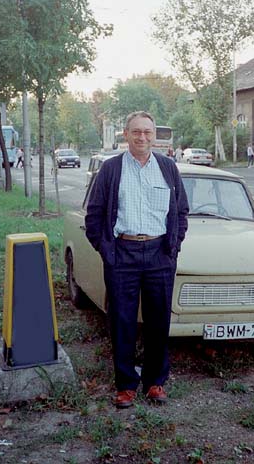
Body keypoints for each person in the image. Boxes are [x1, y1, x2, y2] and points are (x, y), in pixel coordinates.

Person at [85, 111, 189, 409]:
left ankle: (155, 382)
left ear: (154, 135)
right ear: (126, 135)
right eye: (136, 132)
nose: (142, 137)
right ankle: (126, 385)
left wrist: (173, 246)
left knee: (158, 321)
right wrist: (107, 251)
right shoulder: (111, 169)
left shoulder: (168, 168)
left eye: (147, 132)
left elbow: (180, 212)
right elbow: (94, 214)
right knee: (122, 321)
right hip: (123, 255)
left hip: (159, 255)